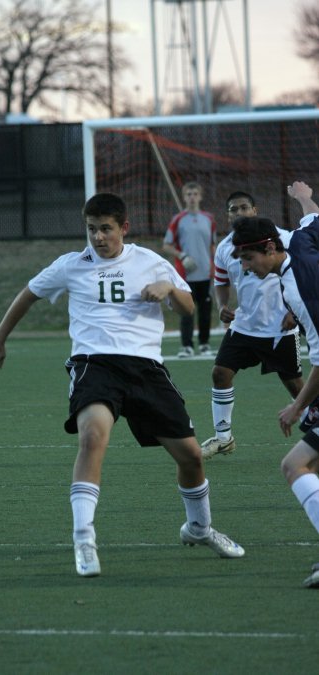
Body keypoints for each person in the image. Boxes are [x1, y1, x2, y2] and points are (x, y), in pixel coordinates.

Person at [0, 192, 245, 578]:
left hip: (146, 370)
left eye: (105, 229)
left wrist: (169, 291)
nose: (98, 237)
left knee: (191, 458)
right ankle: (84, 538)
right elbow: (29, 294)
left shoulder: (150, 261)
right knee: (93, 437)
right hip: (95, 365)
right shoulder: (71, 265)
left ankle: (200, 528)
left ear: (123, 228)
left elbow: (190, 306)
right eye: (91, 229)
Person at [231, 182, 319, 588]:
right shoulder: (302, 240)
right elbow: (313, 217)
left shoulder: (301, 286)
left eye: (248, 258)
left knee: (294, 465)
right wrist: (303, 195)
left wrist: (297, 404)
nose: (246, 267)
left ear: (269, 248)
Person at [201, 191, 304, 460]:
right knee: (220, 373)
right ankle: (223, 437)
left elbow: (301, 270)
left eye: (244, 207)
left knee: (298, 389)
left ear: (255, 210)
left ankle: (314, 432)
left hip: (278, 329)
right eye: (233, 209)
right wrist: (222, 306)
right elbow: (221, 281)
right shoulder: (226, 248)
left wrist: (295, 310)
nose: (239, 213)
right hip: (244, 326)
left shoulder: (284, 238)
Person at [163, 181, 216, 358]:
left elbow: (213, 246)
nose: (192, 197)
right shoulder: (178, 220)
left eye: (195, 194)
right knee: (186, 310)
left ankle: (204, 344)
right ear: (184, 197)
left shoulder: (209, 219)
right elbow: (167, 245)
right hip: (184, 275)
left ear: (200, 196)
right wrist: (183, 256)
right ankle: (186, 345)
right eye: (188, 194)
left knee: (205, 311)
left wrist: (216, 268)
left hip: (205, 273)